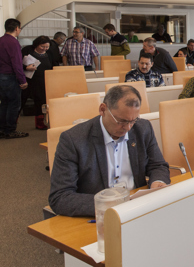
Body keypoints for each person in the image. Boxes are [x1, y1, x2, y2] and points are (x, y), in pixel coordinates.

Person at [49, 85, 170, 217]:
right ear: (103, 109)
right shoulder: (73, 140)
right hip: (99, 216)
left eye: (133, 121)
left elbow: (158, 165)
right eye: (122, 121)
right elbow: (60, 197)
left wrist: (158, 181)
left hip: (137, 210)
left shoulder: (143, 128)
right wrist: (107, 203)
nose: (128, 128)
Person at [0, 18, 29, 139]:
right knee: (14, 104)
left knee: (4, 104)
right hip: (10, 77)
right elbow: (17, 63)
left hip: (1, 76)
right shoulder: (13, 42)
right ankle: (10, 130)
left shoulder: (1, 40)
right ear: (17, 28)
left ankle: (2, 129)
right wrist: (23, 80)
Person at [21, 36, 53, 130]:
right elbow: (18, 63)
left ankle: (40, 123)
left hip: (42, 81)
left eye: (47, 47)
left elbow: (52, 65)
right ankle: (11, 123)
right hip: (27, 80)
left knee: (40, 102)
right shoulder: (27, 50)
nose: (44, 49)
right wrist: (26, 68)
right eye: (42, 46)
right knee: (21, 100)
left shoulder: (49, 53)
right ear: (36, 44)